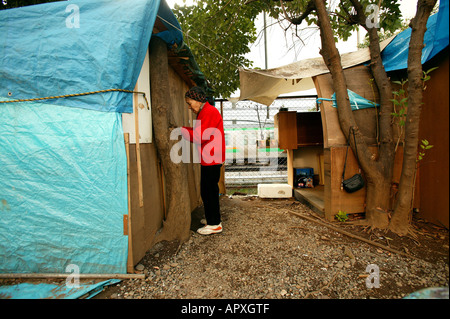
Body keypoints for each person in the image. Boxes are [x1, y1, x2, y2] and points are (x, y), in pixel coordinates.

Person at [181, 86, 225, 235]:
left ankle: (215, 224)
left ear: (198, 100)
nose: (189, 107)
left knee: (209, 191)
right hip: (211, 157)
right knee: (208, 190)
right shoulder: (205, 111)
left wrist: (181, 131)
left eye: (189, 103)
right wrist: (184, 129)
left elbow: (200, 136)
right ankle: (212, 219)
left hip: (212, 157)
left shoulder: (208, 112)